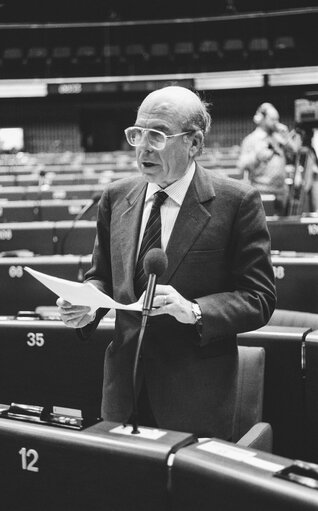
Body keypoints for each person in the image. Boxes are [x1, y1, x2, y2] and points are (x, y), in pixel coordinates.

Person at [57, 85, 276, 439]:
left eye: (157, 135)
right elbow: (103, 278)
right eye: (137, 134)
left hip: (195, 397)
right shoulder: (116, 196)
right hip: (122, 392)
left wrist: (194, 310)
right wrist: (87, 303)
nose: (143, 146)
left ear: (194, 143)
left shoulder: (237, 202)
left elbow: (259, 298)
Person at [237, 102, 297, 215]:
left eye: (277, 119)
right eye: (273, 119)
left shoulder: (280, 137)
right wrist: (256, 156)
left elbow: (294, 152)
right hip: (262, 192)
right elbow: (241, 165)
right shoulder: (251, 140)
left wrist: (286, 136)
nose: (276, 123)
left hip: (282, 192)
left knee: (283, 229)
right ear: (262, 119)